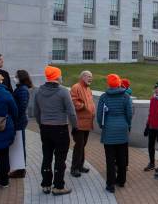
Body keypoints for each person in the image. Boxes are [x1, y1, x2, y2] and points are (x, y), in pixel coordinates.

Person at [34, 66, 76, 196]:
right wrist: (75, 127)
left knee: (47, 156)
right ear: (57, 77)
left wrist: (41, 124)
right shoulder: (63, 91)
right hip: (60, 128)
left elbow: (36, 112)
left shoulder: (39, 91)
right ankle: (58, 186)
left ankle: (46, 184)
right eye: (60, 75)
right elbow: (71, 112)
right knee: (60, 158)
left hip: (45, 127)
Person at [97, 74, 132, 193]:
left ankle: (110, 184)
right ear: (118, 83)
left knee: (110, 159)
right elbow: (129, 113)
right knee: (122, 157)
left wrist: (102, 125)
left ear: (108, 83)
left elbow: (99, 115)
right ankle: (121, 181)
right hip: (122, 129)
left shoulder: (104, 97)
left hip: (109, 130)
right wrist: (127, 124)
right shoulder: (126, 97)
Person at [70, 70, 95, 178]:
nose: (91, 78)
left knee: (82, 145)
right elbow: (73, 102)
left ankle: (80, 165)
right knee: (79, 146)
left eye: (91, 77)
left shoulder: (88, 88)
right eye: (89, 76)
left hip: (87, 122)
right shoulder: (76, 87)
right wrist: (84, 106)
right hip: (79, 123)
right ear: (82, 76)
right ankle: (74, 168)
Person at [10, 70, 33, 179]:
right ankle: (19, 168)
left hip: (19, 121)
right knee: (19, 144)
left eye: (16, 76)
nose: (14, 78)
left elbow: (22, 107)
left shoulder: (22, 90)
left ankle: (20, 169)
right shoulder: (20, 88)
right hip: (19, 120)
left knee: (19, 145)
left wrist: (15, 117)